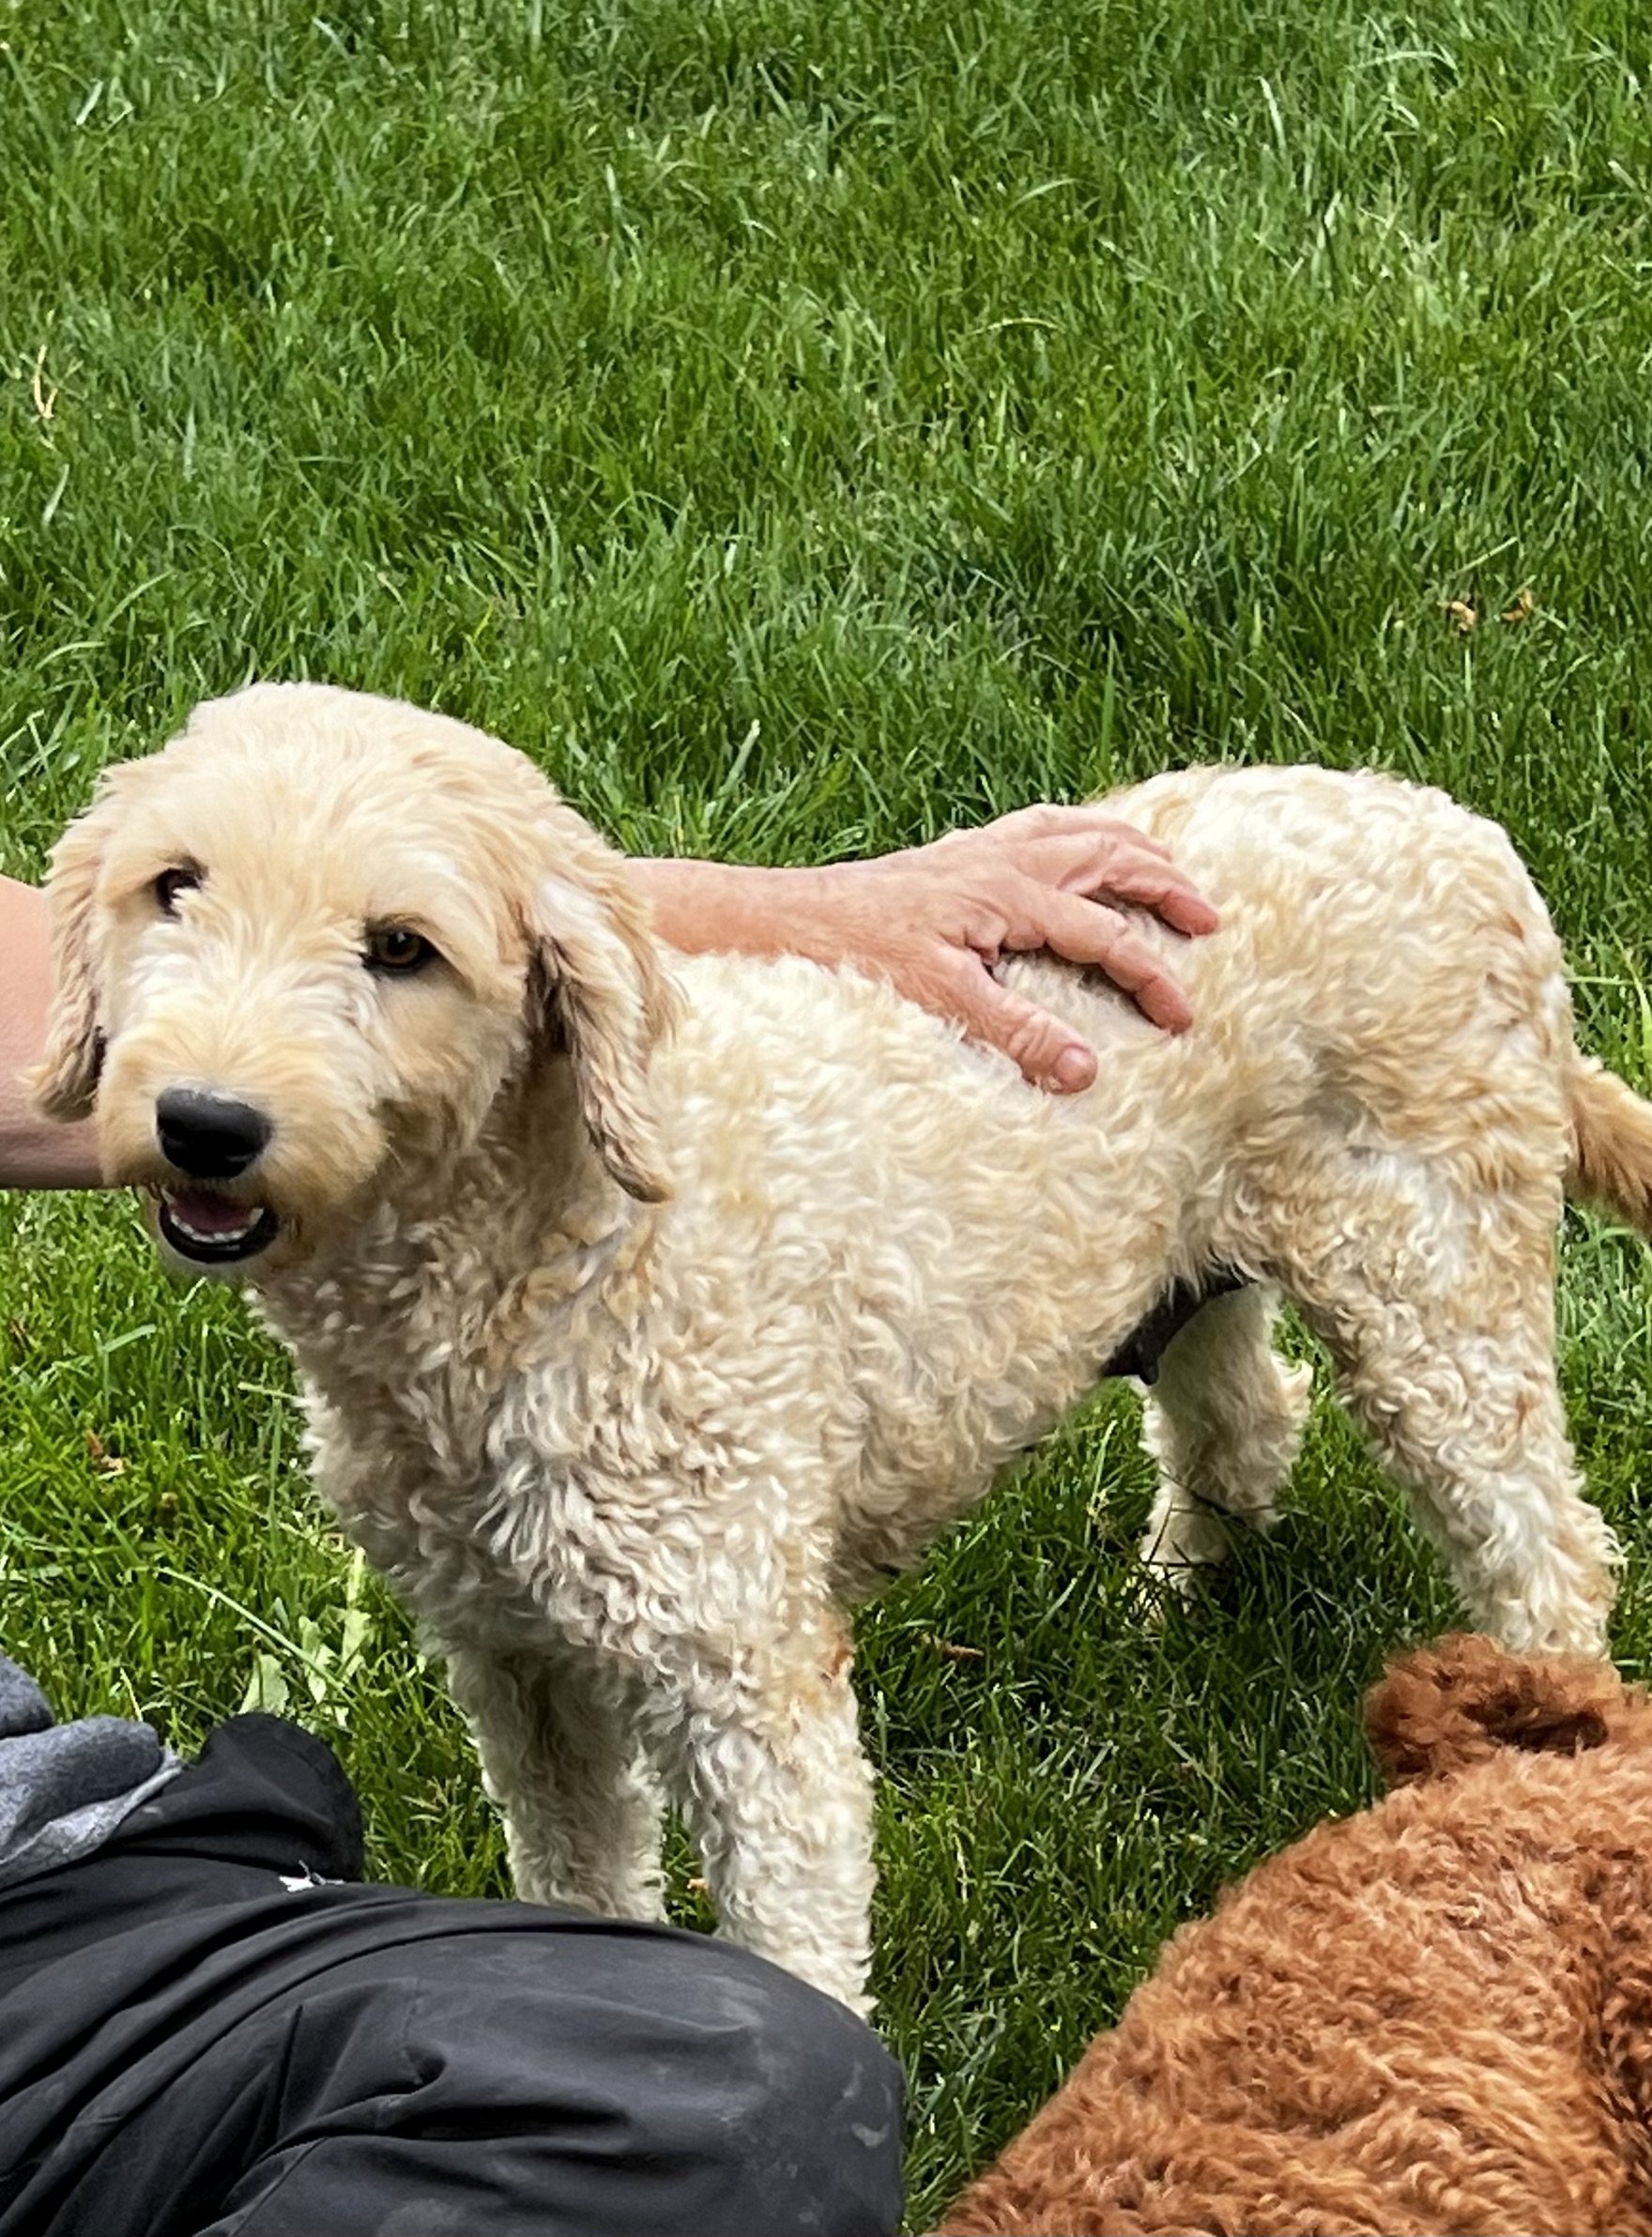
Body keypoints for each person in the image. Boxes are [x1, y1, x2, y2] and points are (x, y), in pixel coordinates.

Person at [0, 807, 1216, 2236]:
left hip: (64, 1876)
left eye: (394, 950)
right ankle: (601, 1973)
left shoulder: (633, 1324)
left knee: (734, 2065)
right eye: (179, 893)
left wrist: (789, 918)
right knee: (684, 2051)